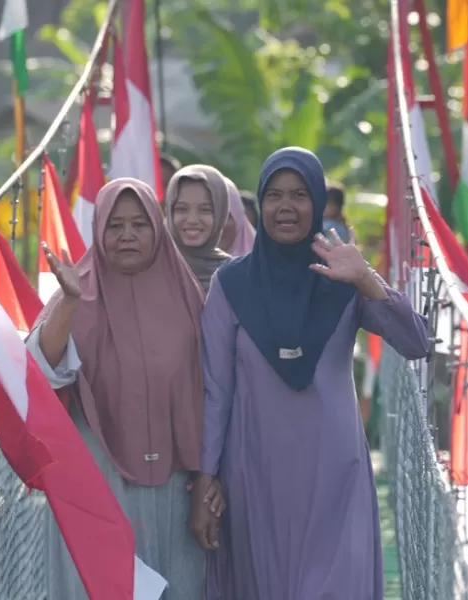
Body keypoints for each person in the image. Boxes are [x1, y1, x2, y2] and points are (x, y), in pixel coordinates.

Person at [193, 147, 429, 599]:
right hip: (254, 473)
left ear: (318, 203)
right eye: (274, 195)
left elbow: (415, 343)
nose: (285, 206)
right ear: (260, 204)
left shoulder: (344, 274)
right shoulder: (231, 284)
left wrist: (366, 280)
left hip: (335, 472)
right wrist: (205, 479)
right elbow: (215, 390)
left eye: (299, 195)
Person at [32, 178, 222, 599]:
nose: (128, 235)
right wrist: (68, 303)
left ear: (158, 228)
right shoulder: (76, 286)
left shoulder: (187, 294)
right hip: (98, 481)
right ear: (99, 230)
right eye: (115, 225)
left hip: (175, 488)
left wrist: (211, 478)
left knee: (174, 581)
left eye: (139, 224)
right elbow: (40, 372)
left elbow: (214, 389)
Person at [165, 165, 234, 293]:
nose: (192, 220)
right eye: (181, 209)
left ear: (221, 213)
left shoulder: (236, 275)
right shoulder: (153, 270)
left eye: (205, 210)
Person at [219, 176, 255, 256]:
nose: (219, 225)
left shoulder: (262, 262)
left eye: (227, 216)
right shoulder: (187, 264)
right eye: (209, 213)